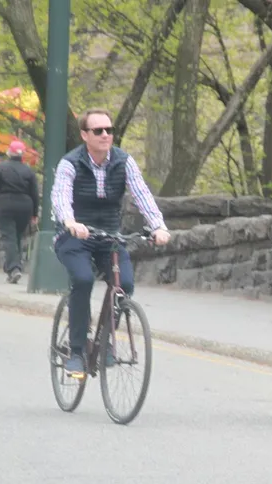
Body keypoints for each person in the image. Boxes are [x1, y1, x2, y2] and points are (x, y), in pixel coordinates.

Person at [51, 108, 170, 377]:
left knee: (124, 284)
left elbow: (142, 195)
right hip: (75, 237)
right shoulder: (71, 163)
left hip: (109, 237)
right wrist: (70, 222)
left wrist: (158, 227)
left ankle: (105, 341)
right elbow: (60, 197)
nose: (106, 135)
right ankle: (77, 350)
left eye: (109, 130)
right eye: (98, 131)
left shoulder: (123, 161)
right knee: (82, 280)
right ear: (84, 135)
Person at [0, 140, 39, 284]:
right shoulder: (28, 171)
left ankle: (14, 268)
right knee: (17, 237)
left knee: (9, 237)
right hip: (25, 206)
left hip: (5, 204)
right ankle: (13, 268)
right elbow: (34, 193)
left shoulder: (2, 168)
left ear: (9, 152)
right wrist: (34, 213)